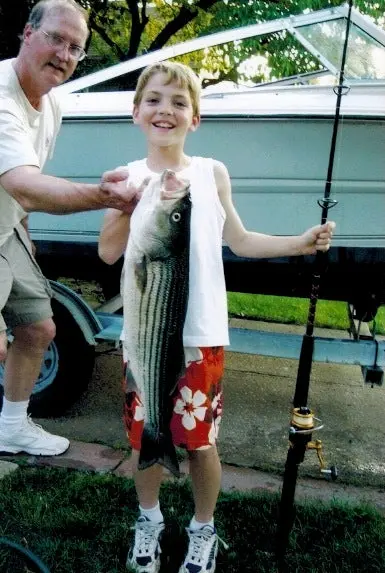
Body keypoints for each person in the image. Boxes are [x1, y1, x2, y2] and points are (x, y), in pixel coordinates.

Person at [98, 61, 335, 573]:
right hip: (144, 335)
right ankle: (149, 519)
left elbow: (242, 240)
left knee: (202, 442)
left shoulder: (210, 172)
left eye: (180, 102)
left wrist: (300, 242)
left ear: (196, 118)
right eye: (155, 100)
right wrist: (125, 204)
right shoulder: (128, 177)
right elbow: (109, 253)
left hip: (201, 335)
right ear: (136, 111)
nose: (167, 110)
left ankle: (203, 526)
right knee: (146, 437)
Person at [0, 0, 140, 457]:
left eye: (75, 48)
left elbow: (25, 187)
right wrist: (105, 196)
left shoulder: (52, 103)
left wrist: (24, 235)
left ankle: (13, 427)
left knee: (39, 328)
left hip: (6, 227)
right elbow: (26, 186)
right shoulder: (2, 98)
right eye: (55, 38)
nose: (63, 54)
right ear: (26, 33)